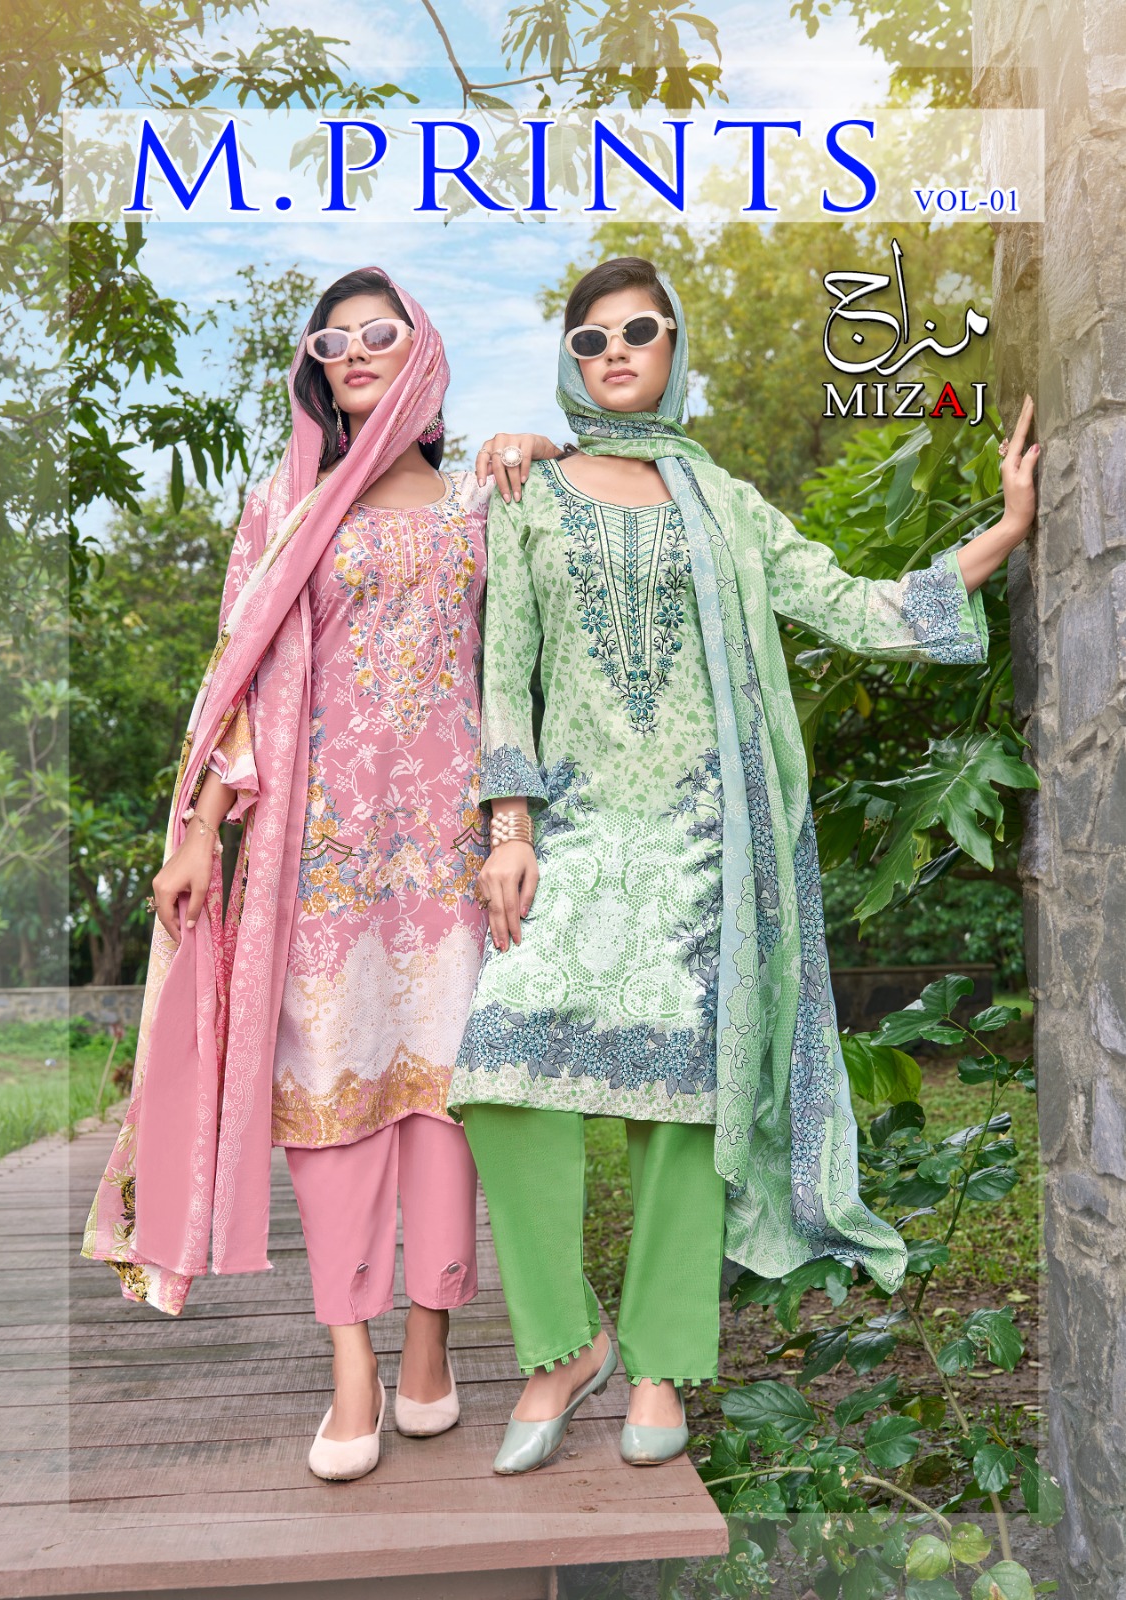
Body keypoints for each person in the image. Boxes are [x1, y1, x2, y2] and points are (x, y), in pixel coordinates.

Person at [448, 255, 1038, 1475]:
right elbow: (505, 667)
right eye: (590, 338)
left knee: (682, 1102)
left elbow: (849, 603)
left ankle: (660, 1363)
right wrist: (509, 828)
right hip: (576, 831)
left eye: (638, 330)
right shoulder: (525, 489)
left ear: (673, 348)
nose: (614, 352)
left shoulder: (723, 503)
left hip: (702, 839)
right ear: (568, 361)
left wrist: (1003, 531)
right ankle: (564, 1341)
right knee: (499, 1075)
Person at [81, 267, 560, 1481]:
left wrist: (543, 446)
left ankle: (428, 1343)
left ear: (422, 350)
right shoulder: (282, 508)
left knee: (444, 1103)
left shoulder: (481, 502)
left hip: (450, 855)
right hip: (319, 854)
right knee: (330, 1105)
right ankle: (351, 1361)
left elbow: (515, 667)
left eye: (376, 333)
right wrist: (200, 829)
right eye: (329, 342)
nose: (351, 353)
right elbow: (233, 677)